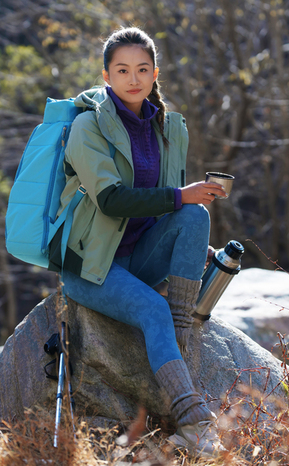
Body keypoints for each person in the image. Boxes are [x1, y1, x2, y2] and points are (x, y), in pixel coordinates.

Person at [47, 27, 227, 456]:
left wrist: (185, 238)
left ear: (155, 73)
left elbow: (171, 210)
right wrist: (180, 196)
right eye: (123, 70)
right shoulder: (87, 128)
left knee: (195, 215)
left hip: (137, 257)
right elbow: (111, 201)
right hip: (90, 267)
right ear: (106, 75)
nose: (133, 78)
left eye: (142, 69)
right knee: (152, 306)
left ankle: (181, 341)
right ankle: (194, 420)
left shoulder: (166, 128)